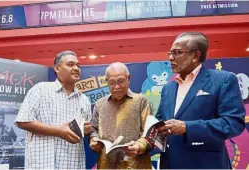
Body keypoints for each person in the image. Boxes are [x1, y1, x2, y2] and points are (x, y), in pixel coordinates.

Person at [155, 32, 246, 169]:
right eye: (170, 53)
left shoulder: (224, 80)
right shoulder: (168, 88)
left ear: (195, 56)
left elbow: (233, 123)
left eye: (177, 52)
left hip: (206, 164)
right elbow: (160, 120)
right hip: (171, 164)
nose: (170, 58)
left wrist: (187, 127)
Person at [15, 50, 92, 169]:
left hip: (73, 164)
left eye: (78, 65)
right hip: (43, 164)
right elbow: (23, 121)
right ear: (56, 68)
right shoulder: (41, 90)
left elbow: (84, 132)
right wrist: (58, 131)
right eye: (70, 64)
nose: (76, 68)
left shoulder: (84, 100)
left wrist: (85, 130)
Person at [89, 62, 153, 169]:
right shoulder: (100, 104)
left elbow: (150, 133)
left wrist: (139, 146)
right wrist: (94, 141)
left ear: (129, 78)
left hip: (135, 165)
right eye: (112, 82)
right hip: (106, 165)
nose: (117, 86)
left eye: (121, 81)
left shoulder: (141, 101)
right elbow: (93, 130)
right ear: (106, 82)